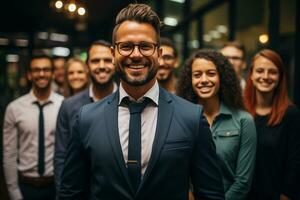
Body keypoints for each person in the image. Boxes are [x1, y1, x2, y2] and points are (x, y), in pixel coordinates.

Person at [58, 3, 224, 200]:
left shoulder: (191, 117)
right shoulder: (86, 118)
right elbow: (70, 193)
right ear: (113, 54)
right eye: (126, 46)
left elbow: (211, 194)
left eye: (145, 46)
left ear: (159, 54)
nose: (136, 55)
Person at [177, 49, 256, 200]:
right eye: (197, 75)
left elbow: (243, 182)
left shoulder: (243, 121)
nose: (204, 80)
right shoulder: (181, 119)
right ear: (190, 80)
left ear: (222, 78)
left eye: (211, 73)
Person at [54, 40, 117, 195]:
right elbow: (61, 156)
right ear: (87, 66)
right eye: (95, 61)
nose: (101, 66)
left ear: (116, 62)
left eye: (107, 60)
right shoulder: (69, 106)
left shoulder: (130, 101)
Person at [3, 52, 64, 200]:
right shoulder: (14, 108)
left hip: (55, 186)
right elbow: (9, 154)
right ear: (29, 75)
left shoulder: (64, 105)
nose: (41, 74)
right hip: (26, 187)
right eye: (36, 70)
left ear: (52, 74)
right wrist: (14, 192)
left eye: (46, 69)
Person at [244, 49, 300, 200]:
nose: (265, 77)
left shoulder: (291, 114)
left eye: (272, 72)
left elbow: (294, 163)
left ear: (281, 77)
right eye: (260, 71)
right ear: (251, 75)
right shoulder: (240, 111)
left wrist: (286, 196)